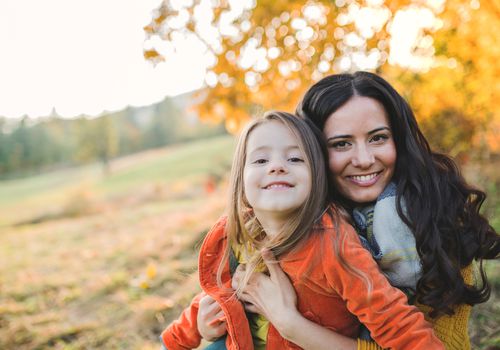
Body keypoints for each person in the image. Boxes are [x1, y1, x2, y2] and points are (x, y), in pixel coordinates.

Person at [197, 72, 499, 349]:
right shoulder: (295, 219)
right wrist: (212, 322)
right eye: (341, 144)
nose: (364, 159)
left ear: (399, 140)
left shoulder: (436, 220)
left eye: (378, 137)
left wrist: (292, 324)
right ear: (310, 152)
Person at [160, 111, 445, 350]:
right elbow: (217, 293)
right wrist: (181, 336)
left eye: (295, 159)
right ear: (241, 181)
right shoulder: (236, 234)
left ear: (317, 177)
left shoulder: (333, 245)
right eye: (260, 160)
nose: (277, 167)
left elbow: (393, 319)